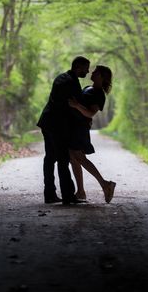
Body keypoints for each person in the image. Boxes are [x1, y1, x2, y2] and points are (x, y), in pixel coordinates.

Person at [36, 56, 90, 204]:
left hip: (48, 122)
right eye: (86, 68)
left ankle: (50, 194)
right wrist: (86, 119)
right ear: (78, 67)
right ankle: (67, 196)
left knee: (50, 158)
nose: (88, 71)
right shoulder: (70, 82)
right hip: (56, 125)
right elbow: (75, 105)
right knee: (62, 159)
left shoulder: (63, 78)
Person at [68, 65, 116, 204]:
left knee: (79, 157)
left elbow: (90, 113)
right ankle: (81, 192)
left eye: (95, 71)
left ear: (101, 76)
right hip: (75, 127)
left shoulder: (98, 93)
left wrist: (76, 105)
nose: (92, 72)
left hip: (80, 129)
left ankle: (105, 184)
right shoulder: (89, 88)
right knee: (73, 158)